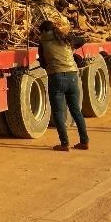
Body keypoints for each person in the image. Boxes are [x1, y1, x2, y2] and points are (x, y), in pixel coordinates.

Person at [37, 20, 89, 152]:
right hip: (72, 76)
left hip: (56, 78)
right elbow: (82, 40)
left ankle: (65, 144)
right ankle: (84, 142)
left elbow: (43, 64)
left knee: (59, 113)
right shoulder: (66, 38)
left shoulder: (42, 43)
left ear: (43, 31)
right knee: (76, 111)